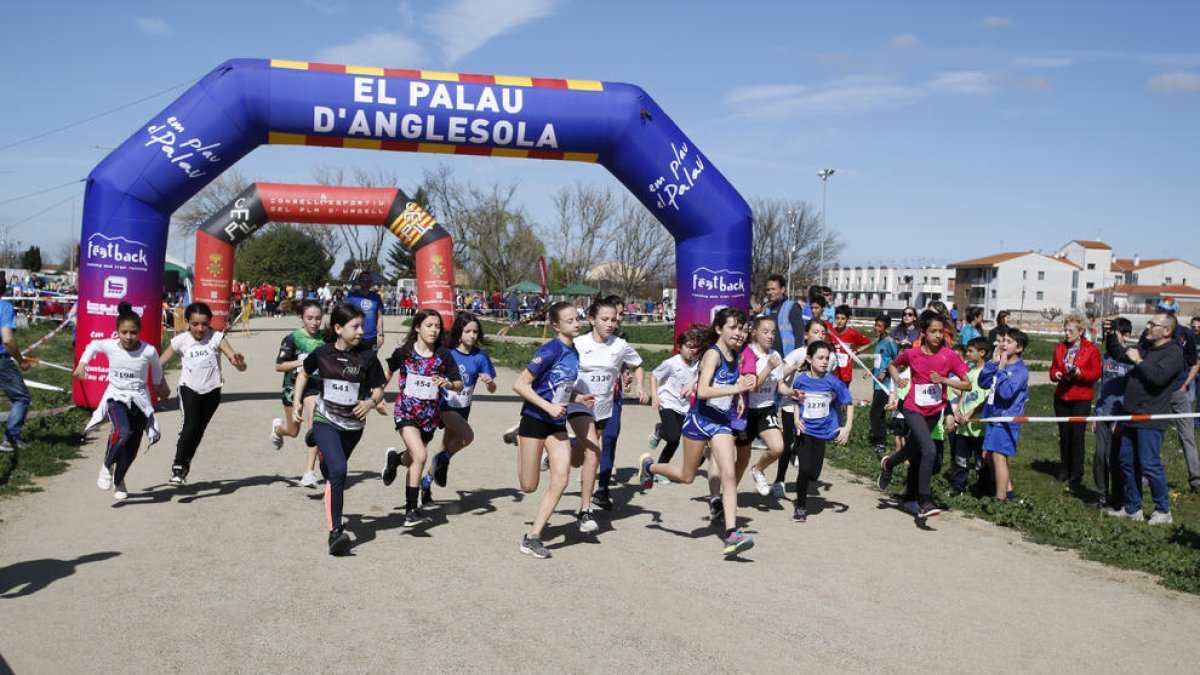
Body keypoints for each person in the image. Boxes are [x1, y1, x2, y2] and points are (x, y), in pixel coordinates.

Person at [636, 307, 758, 558]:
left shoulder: (736, 355)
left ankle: (732, 534)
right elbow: (702, 391)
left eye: (741, 328)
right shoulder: (712, 355)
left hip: (722, 422)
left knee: (729, 474)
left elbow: (722, 385)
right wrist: (734, 388)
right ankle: (650, 467)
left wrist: (737, 397)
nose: (738, 333)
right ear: (719, 329)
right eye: (733, 328)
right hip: (699, 421)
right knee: (687, 476)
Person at [292, 303, 387, 554]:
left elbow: (379, 389)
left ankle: (320, 446)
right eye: (355, 327)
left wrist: (370, 403)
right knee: (339, 471)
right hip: (326, 418)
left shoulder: (367, 357)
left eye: (362, 327)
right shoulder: (323, 353)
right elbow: (303, 374)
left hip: (353, 426)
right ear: (338, 328)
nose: (360, 332)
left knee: (331, 470)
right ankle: (335, 533)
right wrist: (296, 402)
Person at [512, 302, 594, 560]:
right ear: (557, 325)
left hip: (556, 423)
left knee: (561, 479)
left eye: (577, 318)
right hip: (535, 419)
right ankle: (519, 436)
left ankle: (533, 537)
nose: (576, 323)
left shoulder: (575, 353)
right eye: (569, 321)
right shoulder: (549, 350)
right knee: (528, 485)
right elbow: (520, 384)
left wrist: (577, 398)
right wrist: (547, 406)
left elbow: (560, 387)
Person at [74, 302, 171, 500]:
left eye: (133, 332)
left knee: (132, 446)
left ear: (140, 332)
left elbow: (157, 368)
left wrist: (159, 385)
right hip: (115, 397)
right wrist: (82, 364)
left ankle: (119, 480)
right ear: (117, 331)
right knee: (122, 432)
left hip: (139, 400)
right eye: (124, 332)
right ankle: (106, 466)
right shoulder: (110, 346)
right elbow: (92, 346)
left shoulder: (148, 351)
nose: (128, 337)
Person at [880, 309, 971, 519]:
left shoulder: (949, 356)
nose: (938, 336)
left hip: (933, 411)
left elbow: (967, 384)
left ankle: (889, 464)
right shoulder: (913, 354)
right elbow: (892, 365)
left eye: (941, 331)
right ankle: (924, 501)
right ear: (923, 332)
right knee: (929, 450)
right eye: (933, 331)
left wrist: (944, 380)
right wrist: (898, 378)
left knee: (911, 449)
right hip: (912, 408)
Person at [379, 309, 463, 527]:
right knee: (421, 455)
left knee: (412, 458)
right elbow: (387, 372)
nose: (434, 330)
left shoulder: (444, 354)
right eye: (429, 326)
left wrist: (448, 383)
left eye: (437, 326)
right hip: (406, 411)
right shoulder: (404, 352)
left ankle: (395, 460)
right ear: (417, 327)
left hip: (429, 417)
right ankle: (410, 511)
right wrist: (378, 395)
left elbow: (459, 383)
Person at [1104, 312, 1185, 524]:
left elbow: (1158, 378)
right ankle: (1133, 508)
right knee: (1126, 462)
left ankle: (1163, 510)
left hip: (1151, 417)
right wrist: (1111, 334)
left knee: (1149, 464)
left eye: (1153, 324)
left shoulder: (1174, 353)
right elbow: (1120, 354)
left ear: (1167, 331)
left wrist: (1139, 361)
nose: (1147, 326)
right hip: (1130, 415)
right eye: (1148, 323)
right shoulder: (1146, 347)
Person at [158, 302, 247, 485]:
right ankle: (177, 467)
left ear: (210, 323)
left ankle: (184, 466)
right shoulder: (180, 340)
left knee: (198, 431)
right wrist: (161, 386)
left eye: (204, 324)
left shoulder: (216, 338)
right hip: (188, 389)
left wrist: (239, 362)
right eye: (195, 324)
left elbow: (238, 364)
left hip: (212, 392)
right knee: (190, 425)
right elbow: (159, 364)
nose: (200, 329)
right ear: (187, 323)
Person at [577, 298, 646, 516]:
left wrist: (640, 385)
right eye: (607, 318)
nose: (613, 322)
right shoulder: (579, 343)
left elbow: (636, 364)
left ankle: (602, 489)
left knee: (606, 440)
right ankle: (587, 505)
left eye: (616, 318)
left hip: (609, 400)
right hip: (580, 403)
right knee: (593, 447)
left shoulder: (620, 343)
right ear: (592, 320)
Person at [418, 311, 497, 504]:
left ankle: (426, 483)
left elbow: (493, 389)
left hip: (463, 408)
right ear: (459, 333)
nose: (472, 335)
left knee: (446, 448)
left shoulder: (480, 356)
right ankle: (441, 461)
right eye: (468, 331)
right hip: (445, 405)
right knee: (467, 436)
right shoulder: (448, 353)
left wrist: (488, 383)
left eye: (475, 332)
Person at [789, 341, 854, 522]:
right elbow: (797, 402)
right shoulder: (800, 380)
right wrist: (796, 420)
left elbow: (849, 403)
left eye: (827, 358)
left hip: (823, 432)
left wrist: (847, 428)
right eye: (820, 358)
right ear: (809, 359)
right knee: (804, 469)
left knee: (814, 474)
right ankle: (800, 506)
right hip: (804, 430)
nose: (824, 361)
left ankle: (795, 451)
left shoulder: (833, 382)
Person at [270, 300, 326, 487]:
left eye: (318, 318)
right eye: (309, 318)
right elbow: (279, 365)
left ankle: (309, 472)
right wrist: (302, 362)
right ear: (301, 318)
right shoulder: (292, 339)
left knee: (314, 423)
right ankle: (278, 429)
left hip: (313, 387)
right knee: (293, 431)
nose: (314, 322)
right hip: (291, 387)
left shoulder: (326, 338)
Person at [772, 318, 828, 497]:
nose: (819, 335)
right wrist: (798, 366)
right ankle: (779, 481)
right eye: (815, 332)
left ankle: (799, 453)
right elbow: (779, 375)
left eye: (823, 333)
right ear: (806, 335)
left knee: (809, 443)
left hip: (813, 409)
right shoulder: (798, 353)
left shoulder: (827, 356)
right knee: (787, 442)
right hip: (791, 405)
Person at [1049, 313, 1101, 494]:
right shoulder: (1060, 348)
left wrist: (1080, 373)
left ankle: (1076, 474)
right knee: (1064, 436)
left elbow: (1096, 373)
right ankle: (1064, 470)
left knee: (1077, 436)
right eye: (1065, 329)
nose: (1066, 333)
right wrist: (1055, 373)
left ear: (1080, 332)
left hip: (1081, 397)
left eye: (1070, 330)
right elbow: (1054, 367)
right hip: (1062, 396)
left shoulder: (1091, 350)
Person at [740, 317, 791, 498]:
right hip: (747, 411)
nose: (770, 336)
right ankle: (728, 495)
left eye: (773, 332)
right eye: (766, 331)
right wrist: (768, 368)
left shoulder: (775, 355)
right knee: (742, 460)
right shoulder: (748, 353)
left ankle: (758, 469)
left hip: (767, 409)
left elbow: (780, 385)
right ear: (754, 333)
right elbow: (752, 386)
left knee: (778, 447)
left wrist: (792, 393)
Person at [979, 327, 1029, 501]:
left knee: (999, 456)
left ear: (1019, 348)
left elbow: (1007, 393)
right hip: (994, 416)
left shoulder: (1020, 371)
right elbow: (982, 382)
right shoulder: (999, 363)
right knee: (988, 455)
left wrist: (1000, 370)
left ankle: (1000, 499)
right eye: (1002, 341)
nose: (1003, 344)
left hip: (1007, 419)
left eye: (1009, 342)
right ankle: (1008, 492)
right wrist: (992, 364)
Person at [1091, 317, 1134, 511]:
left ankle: (1118, 498)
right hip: (1102, 413)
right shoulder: (1106, 358)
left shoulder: (1131, 360)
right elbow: (1101, 388)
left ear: (1126, 336)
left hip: (1120, 416)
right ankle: (1101, 496)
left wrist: (1121, 419)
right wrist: (1095, 413)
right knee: (1100, 457)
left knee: (1114, 458)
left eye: (1115, 334)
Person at [1156, 302, 1200, 493]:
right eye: (1161, 310)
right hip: (1157, 392)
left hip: (1177, 391)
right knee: (1153, 433)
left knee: (1187, 436)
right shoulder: (1152, 330)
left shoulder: (1185, 333)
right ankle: (1147, 476)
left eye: (1168, 311)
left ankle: (1196, 480)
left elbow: (1195, 362)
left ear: (1174, 312)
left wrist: (1185, 384)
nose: (1164, 314)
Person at [648, 329, 703, 473]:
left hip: (684, 407)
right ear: (679, 347)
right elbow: (654, 375)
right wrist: (654, 395)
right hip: (667, 402)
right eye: (688, 346)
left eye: (695, 347)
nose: (692, 350)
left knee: (675, 441)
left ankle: (661, 469)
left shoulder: (697, 365)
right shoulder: (671, 363)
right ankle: (659, 430)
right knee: (673, 436)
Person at [949, 338, 992, 496]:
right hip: (963, 427)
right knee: (961, 459)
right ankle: (958, 488)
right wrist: (958, 412)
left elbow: (986, 400)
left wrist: (970, 413)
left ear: (982, 353)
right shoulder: (968, 372)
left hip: (979, 428)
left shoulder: (987, 374)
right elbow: (964, 396)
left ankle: (983, 491)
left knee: (981, 461)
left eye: (971, 351)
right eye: (967, 350)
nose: (967, 353)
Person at [0, 278, 31, 452]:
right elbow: (7, 339)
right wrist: (21, 360)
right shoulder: (4, 307)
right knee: (21, 397)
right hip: (1, 361)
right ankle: (10, 439)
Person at [866, 315, 899, 455]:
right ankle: (879, 438)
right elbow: (881, 361)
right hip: (877, 383)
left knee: (875, 412)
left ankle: (881, 442)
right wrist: (872, 371)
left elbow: (897, 360)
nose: (876, 328)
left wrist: (885, 372)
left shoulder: (890, 342)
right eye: (876, 325)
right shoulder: (879, 342)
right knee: (879, 413)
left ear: (887, 328)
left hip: (886, 385)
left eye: (880, 326)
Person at [755, 274, 805, 356]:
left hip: (787, 358)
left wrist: (796, 359)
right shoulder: (767, 309)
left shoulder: (792, 307)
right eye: (768, 290)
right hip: (769, 356)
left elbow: (799, 335)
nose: (770, 292)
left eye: (773, 289)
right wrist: (756, 315)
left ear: (782, 289)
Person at [828, 304, 871, 386]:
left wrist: (856, 352)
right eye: (837, 318)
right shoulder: (831, 333)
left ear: (848, 319)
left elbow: (868, 342)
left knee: (842, 398)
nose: (839, 321)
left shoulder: (852, 333)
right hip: (831, 373)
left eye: (843, 319)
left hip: (845, 375)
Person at [343, 272, 385, 350]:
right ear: (359, 282)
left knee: (371, 360)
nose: (366, 282)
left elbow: (379, 317)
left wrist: (381, 335)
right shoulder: (352, 296)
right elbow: (344, 314)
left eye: (369, 280)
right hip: (355, 336)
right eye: (364, 280)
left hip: (372, 337)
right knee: (354, 361)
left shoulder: (376, 297)